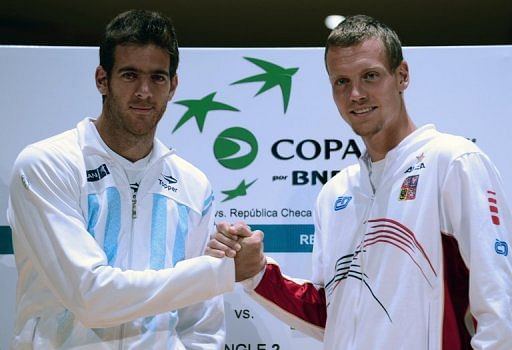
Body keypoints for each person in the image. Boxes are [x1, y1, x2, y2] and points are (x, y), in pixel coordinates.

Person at [207, 15, 512, 349]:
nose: (355, 94)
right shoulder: (334, 193)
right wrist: (258, 272)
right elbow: (329, 316)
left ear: (402, 76)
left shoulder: (453, 162)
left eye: (370, 76)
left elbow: (499, 307)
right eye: (341, 81)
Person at [6, 9, 251, 349]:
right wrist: (220, 272)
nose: (145, 92)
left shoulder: (193, 186)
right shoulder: (48, 164)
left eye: (158, 78)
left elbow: (201, 323)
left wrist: (213, 277)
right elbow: (92, 297)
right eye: (130, 75)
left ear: (173, 85)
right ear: (102, 79)